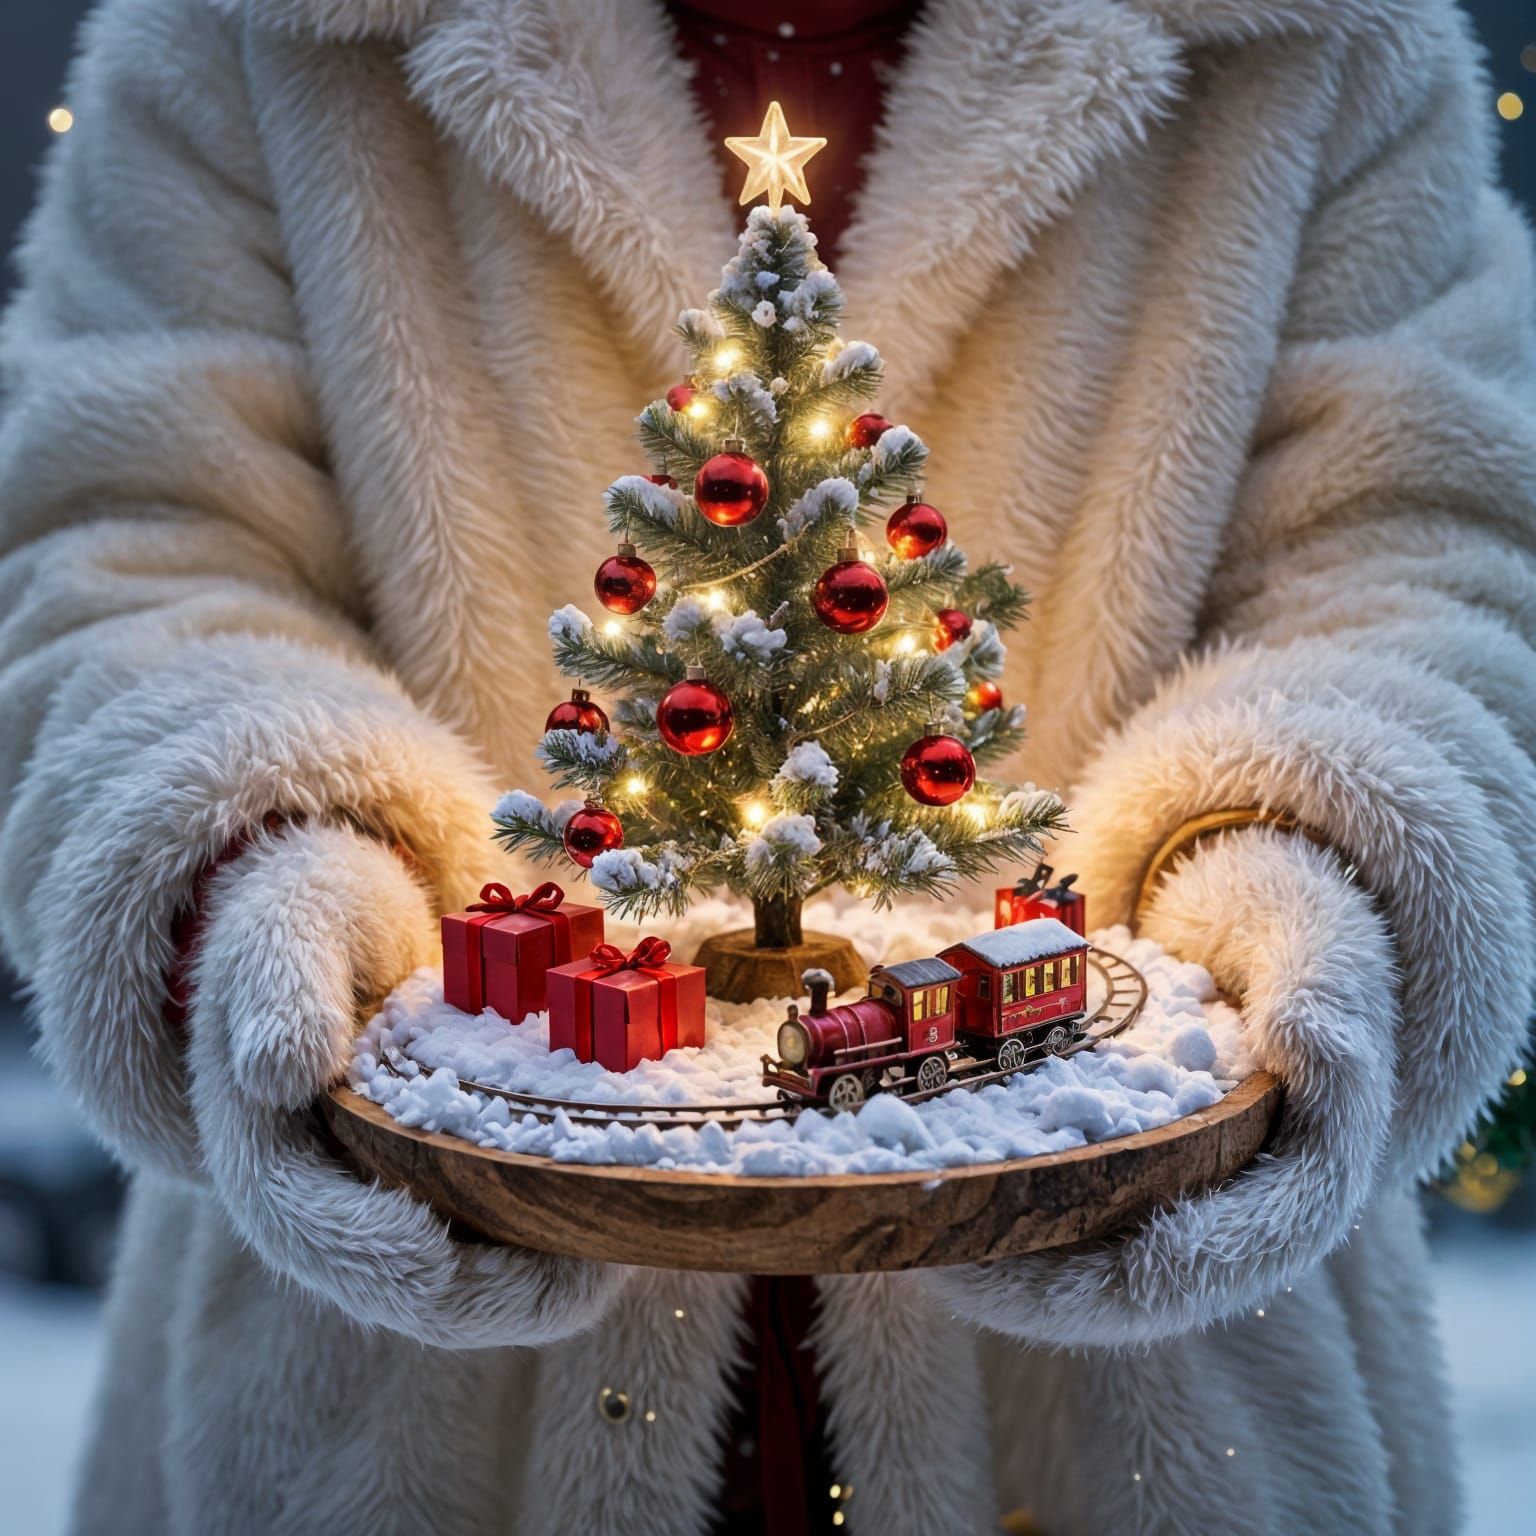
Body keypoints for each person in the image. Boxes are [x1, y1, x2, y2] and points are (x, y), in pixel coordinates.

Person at [1, 0, 1531, 1532]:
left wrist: (1299, 859)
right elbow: (127, 546)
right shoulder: (248, 37)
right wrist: (264, 860)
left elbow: (1429, 552)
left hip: (1170, 1429)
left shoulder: (1320, 39)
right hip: (397, 1427)